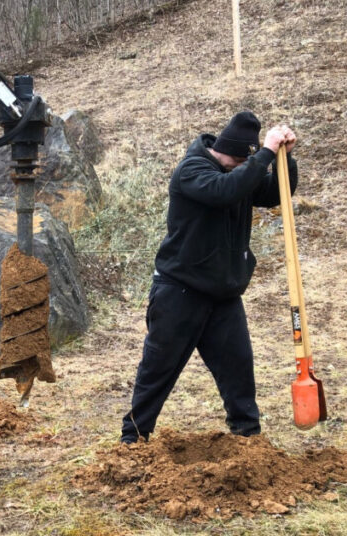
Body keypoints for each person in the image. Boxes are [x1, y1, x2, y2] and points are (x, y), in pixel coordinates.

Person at [120, 111, 298, 443]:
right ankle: (132, 441)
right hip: (179, 293)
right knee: (157, 373)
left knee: (238, 370)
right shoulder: (193, 170)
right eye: (241, 162)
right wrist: (263, 155)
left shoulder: (239, 172)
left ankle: (248, 439)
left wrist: (285, 158)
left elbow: (275, 193)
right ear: (230, 153)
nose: (243, 169)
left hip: (224, 295)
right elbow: (224, 191)